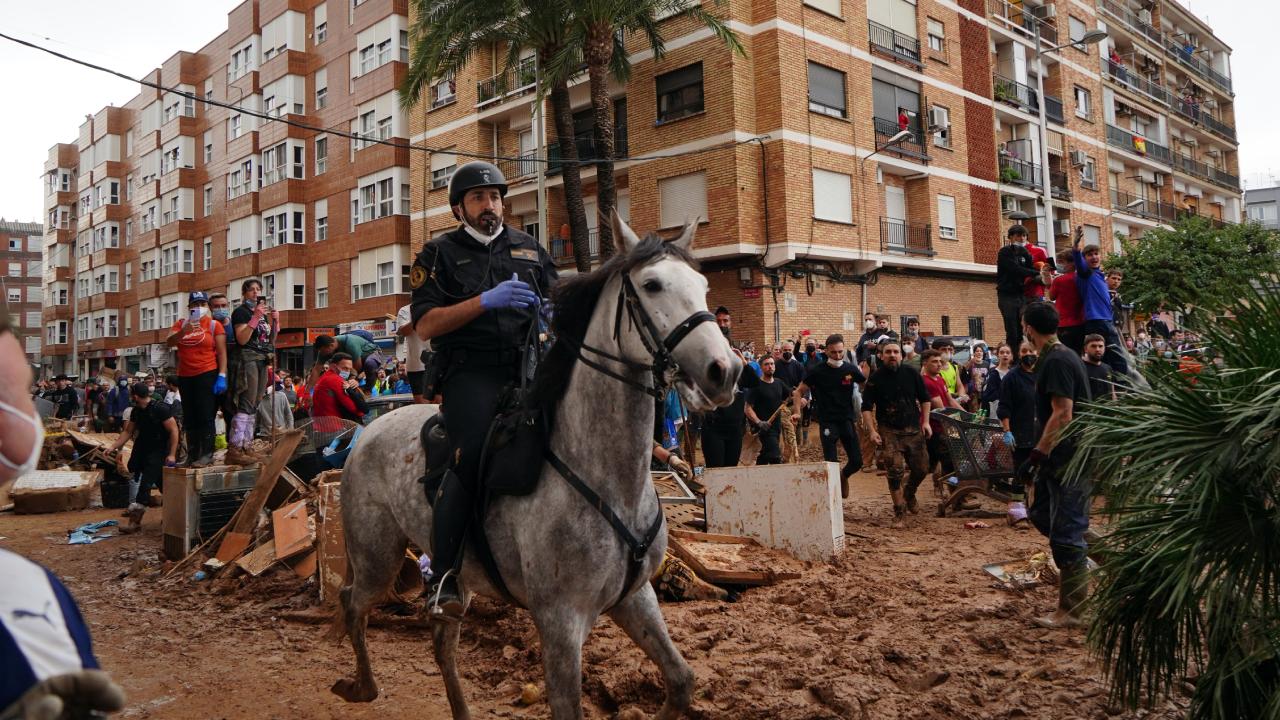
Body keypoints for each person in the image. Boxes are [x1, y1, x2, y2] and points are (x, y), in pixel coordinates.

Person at [410, 160, 557, 618]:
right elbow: (426, 325)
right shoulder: (438, 255)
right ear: (459, 209)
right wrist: (483, 302)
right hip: (470, 374)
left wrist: (553, 315)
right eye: (478, 198)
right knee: (469, 459)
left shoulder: (529, 249)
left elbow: (557, 301)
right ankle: (445, 577)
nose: (489, 205)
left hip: (526, 370)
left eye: (495, 197)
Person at [1017, 301, 1092, 628]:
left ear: (1028, 328)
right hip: (1057, 458)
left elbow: (1063, 414)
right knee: (1043, 515)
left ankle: (1073, 611)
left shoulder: (1059, 359)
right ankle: (1111, 559)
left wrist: (1038, 454)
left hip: (1069, 458)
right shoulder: (1055, 357)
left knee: (1066, 535)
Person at [861, 341, 933, 524]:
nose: (892, 355)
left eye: (895, 352)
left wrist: (926, 422)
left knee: (922, 469)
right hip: (889, 431)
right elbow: (866, 407)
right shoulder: (875, 378)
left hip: (914, 429)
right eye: (888, 352)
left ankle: (909, 493)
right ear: (881, 355)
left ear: (901, 355)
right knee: (894, 471)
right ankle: (899, 511)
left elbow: (925, 399)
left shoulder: (911, 374)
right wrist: (872, 431)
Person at [791, 334, 865, 498]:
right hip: (827, 420)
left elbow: (864, 384)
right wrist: (797, 411)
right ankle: (834, 500)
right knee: (831, 464)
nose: (837, 356)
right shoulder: (817, 370)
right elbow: (798, 391)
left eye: (840, 352)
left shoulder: (850, 369)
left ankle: (843, 476)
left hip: (846, 419)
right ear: (826, 351)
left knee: (857, 461)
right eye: (833, 353)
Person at [105, 383, 179, 534]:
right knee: (163, 485)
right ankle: (176, 515)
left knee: (145, 485)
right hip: (142, 450)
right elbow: (128, 432)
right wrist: (113, 447)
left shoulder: (160, 408)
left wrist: (171, 453)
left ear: (135, 396)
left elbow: (174, 430)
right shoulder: (136, 411)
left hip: (159, 451)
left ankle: (134, 522)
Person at [165, 291, 227, 468]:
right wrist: (183, 332)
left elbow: (222, 353)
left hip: (206, 372)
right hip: (185, 375)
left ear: (207, 307)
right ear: (189, 307)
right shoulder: (181, 324)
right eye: (195, 304)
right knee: (190, 415)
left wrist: (221, 375)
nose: (198, 307)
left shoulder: (214, 325)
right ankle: (192, 453)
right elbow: (168, 342)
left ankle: (207, 453)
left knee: (205, 414)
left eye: (202, 304)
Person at [228, 279, 278, 465]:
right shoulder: (241, 312)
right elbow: (242, 339)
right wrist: (255, 317)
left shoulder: (262, 314)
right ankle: (235, 447)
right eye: (252, 290)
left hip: (262, 359)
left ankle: (246, 445)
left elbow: (269, 341)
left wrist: (275, 321)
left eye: (258, 289)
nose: (256, 293)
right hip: (247, 359)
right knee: (247, 401)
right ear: (244, 293)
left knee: (255, 403)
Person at [1072, 227, 1127, 375]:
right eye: (1089, 255)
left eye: (1096, 254)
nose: (1094, 257)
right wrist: (1076, 246)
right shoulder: (1086, 273)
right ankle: (1123, 387)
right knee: (1119, 357)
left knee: (1106, 358)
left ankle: (1110, 386)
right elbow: (1078, 261)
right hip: (1098, 321)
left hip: (1103, 320)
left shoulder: (1098, 275)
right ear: (1084, 259)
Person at [996, 225, 1042, 347]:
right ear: (1010, 237)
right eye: (1018, 235)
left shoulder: (1025, 252)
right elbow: (1015, 269)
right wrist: (1036, 273)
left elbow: (1029, 268)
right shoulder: (1004, 252)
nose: (1021, 238)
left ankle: (1023, 355)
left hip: (1021, 295)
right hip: (1007, 295)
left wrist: (1043, 271)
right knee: (1012, 329)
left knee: (1022, 328)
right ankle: (1013, 358)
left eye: (1024, 235)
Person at [744, 356, 791, 465]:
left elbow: (791, 395)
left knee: (764, 457)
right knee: (775, 457)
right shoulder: (756, 385)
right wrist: (759, 422)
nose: (770, 366)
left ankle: (758, 478)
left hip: (776, 427)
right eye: (766, 364)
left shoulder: (779, 383)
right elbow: (747, 408)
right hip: (762, 429)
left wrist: (802, 398)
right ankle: (778, 480)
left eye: (772, 364)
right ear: (761, 367)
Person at [311, 353, 369, 426]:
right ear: (334, 366)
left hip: (321, 425)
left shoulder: (324, 377)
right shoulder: (336, 380)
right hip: (333, 426)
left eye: (349, 369)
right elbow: (352, 407)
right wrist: (362, 412)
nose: (347, 371)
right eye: (345, 368)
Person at [1048, 249, 1085, 353]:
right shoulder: (1082, 278)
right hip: (1080, 323)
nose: (1059, 265)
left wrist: (1050, 282)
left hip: (1064, 324)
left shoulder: (1059, 280)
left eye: (1062, 262)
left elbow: (1051, 297)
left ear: (1071, 263)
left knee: (1064, 353)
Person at [311, 332, 385, 384]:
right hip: (352, 363)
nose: (323, 353)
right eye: (321, 351)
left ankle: (368, 389)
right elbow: (316, 370)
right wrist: (307, 391)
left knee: (370, 363)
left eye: (324, 351)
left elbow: (358, 367)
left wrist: (352, 380)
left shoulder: (349, 343)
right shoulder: (323, 350)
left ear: (331, 345)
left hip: (371, 354)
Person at [397, 303, 430, 403]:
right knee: (423, 408)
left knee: (440, 404)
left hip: (440, 363)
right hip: (416, 367)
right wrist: (418, 316)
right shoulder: (405, 310)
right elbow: (404, 331)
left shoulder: (440, 304)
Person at [982, 342, 1015, 418]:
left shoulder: (1014, 374)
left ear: (1011, 356)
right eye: (1002, 352)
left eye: (1007, 353)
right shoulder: (993, 373)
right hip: (996, 413)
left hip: (1012, 413)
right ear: (997, 355)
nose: (1005, 355)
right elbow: (987, 396)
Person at [1081, 333, 1116, 403]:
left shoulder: (1108, 368)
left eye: (1100, 346)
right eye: (1093, 346)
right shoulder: (1080, 367)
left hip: (1108, 411)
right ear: (1085, 349)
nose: (1097, 349)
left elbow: (1113, 393)